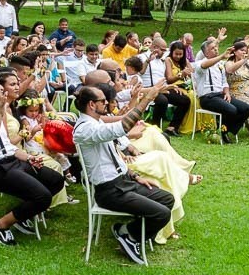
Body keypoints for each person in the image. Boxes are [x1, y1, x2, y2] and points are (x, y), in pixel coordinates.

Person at [73, 83, 174, 264]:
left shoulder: (97, 122)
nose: (107, 103)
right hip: (109, 191)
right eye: (103, 101)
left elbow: (117, 158)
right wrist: (148, 98)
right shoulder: (85, 129)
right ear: (91, 105)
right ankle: (132, 238)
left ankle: (125, 231)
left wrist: (136, 177)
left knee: (167, 199)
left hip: (123, 182)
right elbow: (124, 126)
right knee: (162, 213)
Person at [0, 70, 65, 246]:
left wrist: (27, 157)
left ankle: (21, 215)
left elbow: (7, 146)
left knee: (56, 180)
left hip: (12, 162)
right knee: (42, 197)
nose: (1, 87)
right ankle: (0, 226)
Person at [193, 38, 249, 143]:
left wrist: (227, 93)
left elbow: (224, 82)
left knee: (246, 108)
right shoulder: (199, 63)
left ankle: (226, 130)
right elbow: (204, 65)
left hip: (220, 95)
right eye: (212, 48)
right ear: (206, 53)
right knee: (231, 110)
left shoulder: (220, 65)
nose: (216, 49)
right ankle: (223, 132)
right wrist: (221, 57)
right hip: (207, 98)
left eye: (216, 48)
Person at [139, 37, 189, 136]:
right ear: (154, 47)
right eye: (162, 50)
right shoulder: (142, 57)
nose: (164, 52)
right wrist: (147, 61)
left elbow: (165, 78)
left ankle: (172, 127)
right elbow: (140, 72)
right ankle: (154, 127)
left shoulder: (161, 60)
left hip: (163, 88)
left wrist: (173, 86)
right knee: (162, 101)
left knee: (185, 100)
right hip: (149, 89)